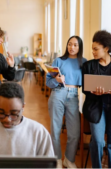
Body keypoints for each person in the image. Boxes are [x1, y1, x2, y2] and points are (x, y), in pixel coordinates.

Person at [0, 82, 54, 156]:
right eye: (1, 113)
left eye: (14, 114)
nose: (7, 119)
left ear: (23, 106)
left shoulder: (38, 132)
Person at [46, 36, 86, 168]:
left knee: (74, 133)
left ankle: (69, 159)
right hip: (58, 93)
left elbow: (87, 83)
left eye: (75, 45)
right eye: (70, 44)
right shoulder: (58, 60)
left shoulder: (84, 63)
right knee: (55, 129)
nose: (72, 47)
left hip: (74, 96)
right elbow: (48, 82)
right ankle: (56, 159)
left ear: (79, 47)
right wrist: (56, 81)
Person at [82, 30, 111, 168]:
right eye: (92, 49)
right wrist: (93, 92)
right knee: (99, 142)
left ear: (106, 48)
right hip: (95, 107)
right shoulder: (89, 65)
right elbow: (84, 89)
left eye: (96, 49)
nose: (93, 52)